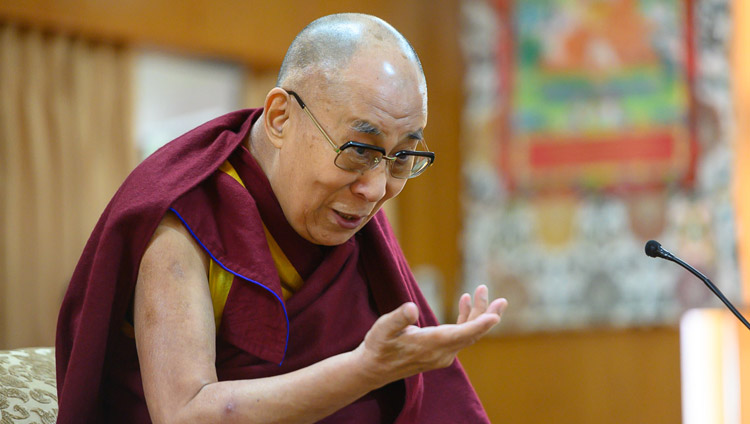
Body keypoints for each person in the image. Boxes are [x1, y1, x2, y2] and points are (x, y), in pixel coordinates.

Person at [55, 13, 508, 423]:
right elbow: (184, 414)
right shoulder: (184, 221)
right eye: (359, 151)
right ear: (279, 118)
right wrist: (364, 369)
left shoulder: (345, 213)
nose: (374, 189)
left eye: (401, 158)